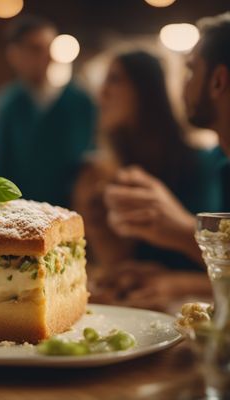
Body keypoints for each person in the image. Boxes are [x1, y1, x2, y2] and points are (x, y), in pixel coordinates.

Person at [97, 13, 230, 309]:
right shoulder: (223, 165)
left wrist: (182, 233)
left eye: (191, 71)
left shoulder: (204, 165)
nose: (183, 86)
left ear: (218, 82)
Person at [0, 15, 96, 208]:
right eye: (36, 48)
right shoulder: (7, 104)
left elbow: (93, 158)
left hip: (73, 212)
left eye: (50, 48)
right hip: (23, 216)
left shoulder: (80, 100)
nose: (47, 56)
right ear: (14, 54)